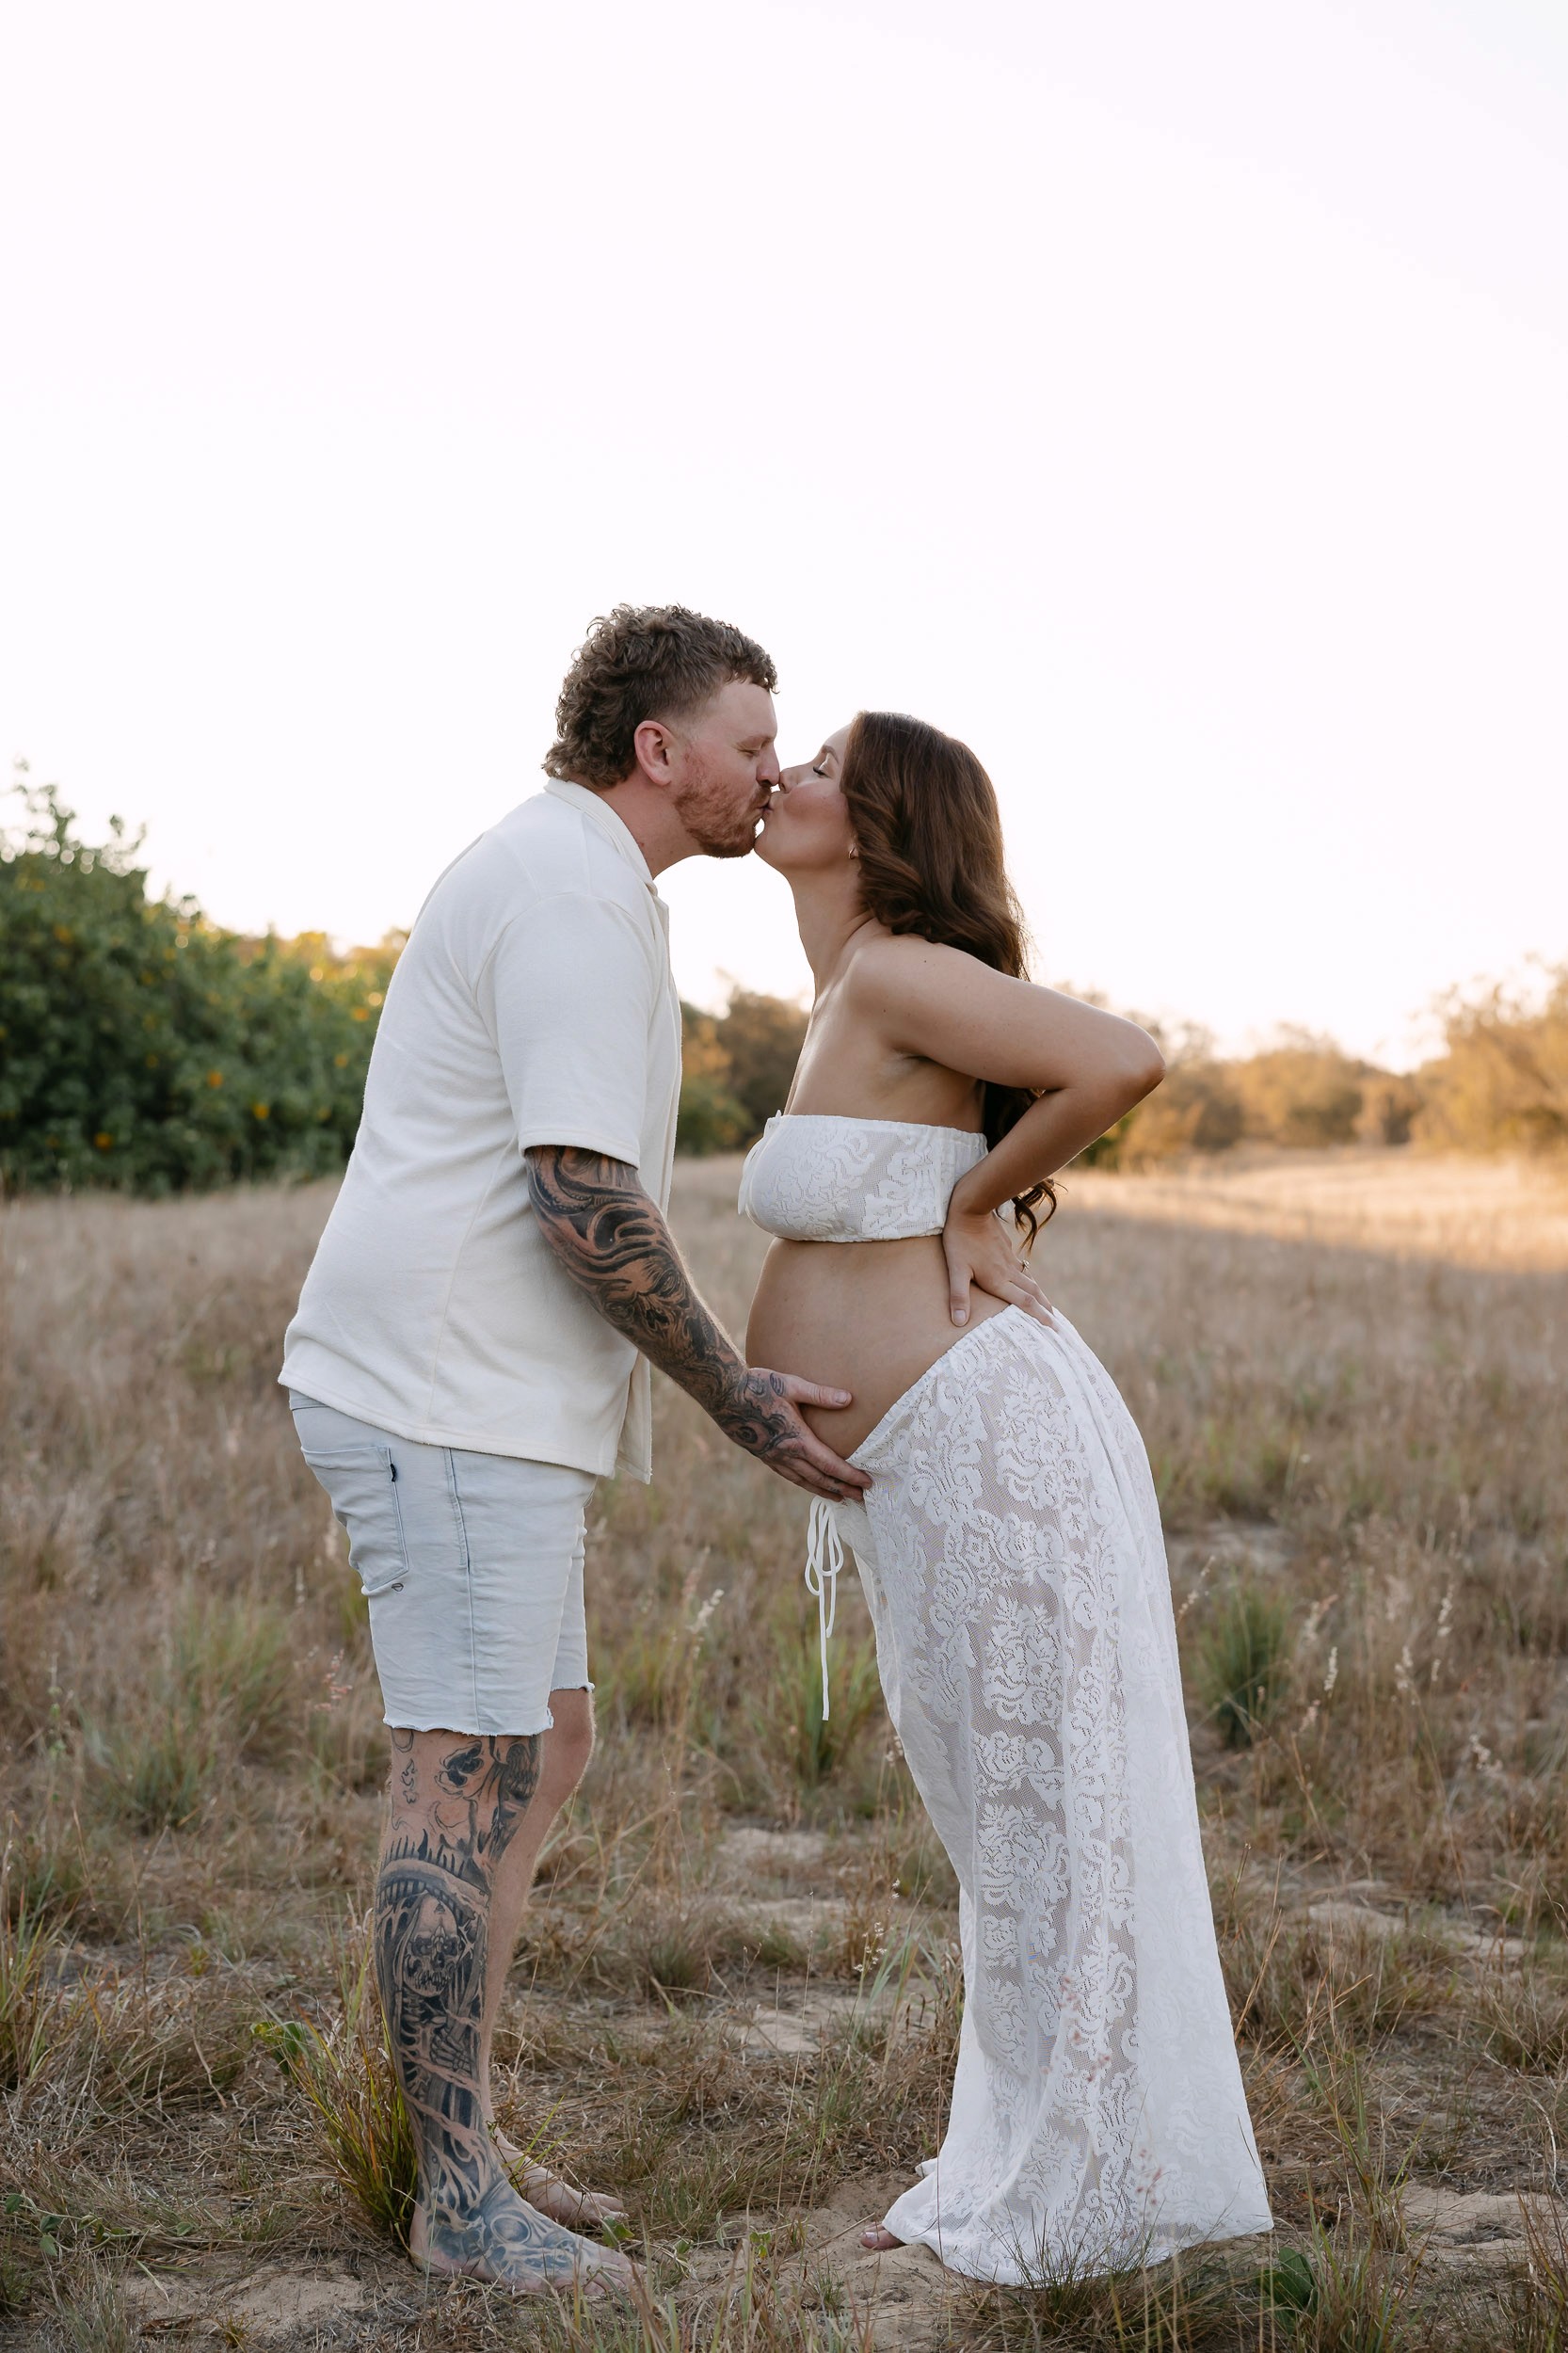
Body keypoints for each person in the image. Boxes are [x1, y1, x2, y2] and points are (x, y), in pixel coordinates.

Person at [279, 607, 877, 2298]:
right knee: (463, 1769)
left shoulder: (586, 882)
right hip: (440, 1392)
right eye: (752, 739)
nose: (775, 767)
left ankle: (455, 2124)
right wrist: (737, 1396)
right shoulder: (566, 893)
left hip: (477, 1398)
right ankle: (454, 2204)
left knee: (538, 1746)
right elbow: (582, 1197)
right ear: (658, 751)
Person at [741, 712, 1274, 2282]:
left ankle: (1075, 2186)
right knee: (1005, 1827)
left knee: (1046, 1825)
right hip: (933, 1462)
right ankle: (1033, 2152)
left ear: (887, 820)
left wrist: (972, 1201)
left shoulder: (898, 967)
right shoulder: (847, 989)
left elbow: (1121, 1058)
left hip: (993, 1451)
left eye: (825, 763)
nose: (788, 777)